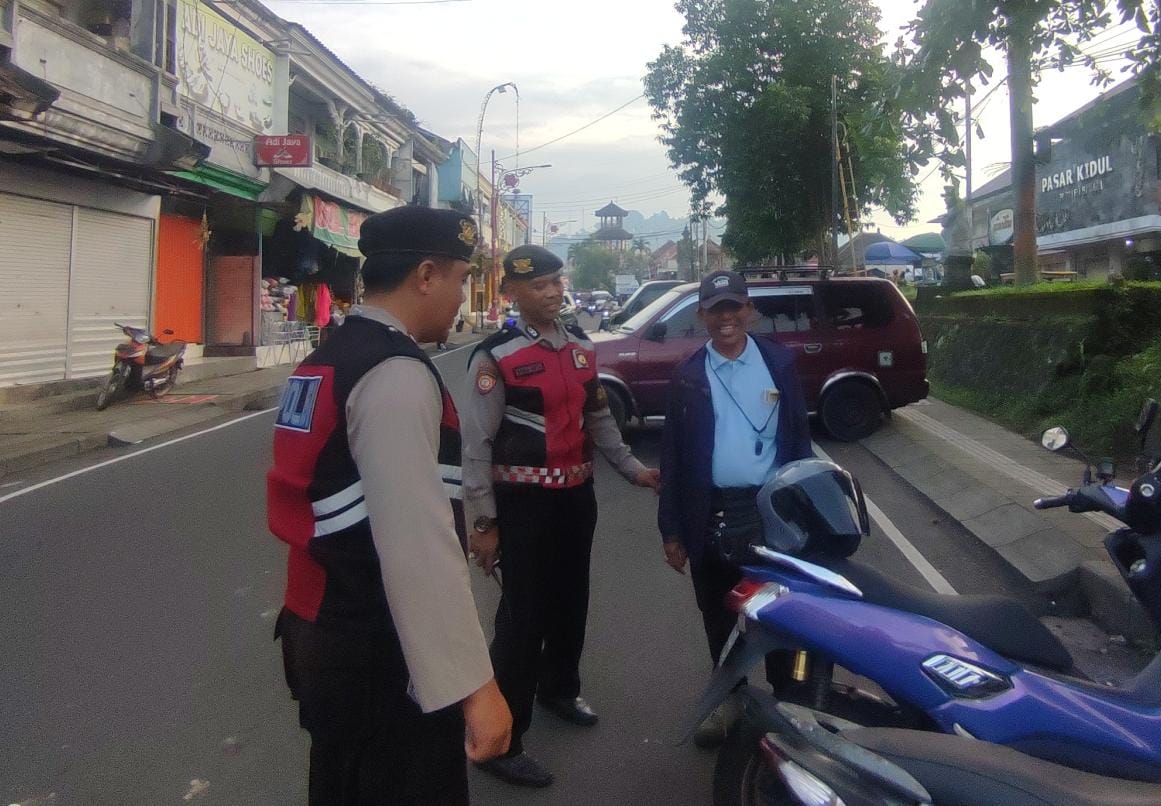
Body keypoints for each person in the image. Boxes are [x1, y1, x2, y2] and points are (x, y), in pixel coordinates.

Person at [267, 206, 511, 805]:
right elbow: (417, 547)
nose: (462, 297)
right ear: (425, 275)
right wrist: (475, 686)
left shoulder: (329, 357)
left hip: (321, 629)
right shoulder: (393, 372)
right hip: (377, 647)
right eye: (460, 279)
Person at [461, 244, 660, 788]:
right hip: (523, 505)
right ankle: (501, 740)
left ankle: (559, 688)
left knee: (572, 601)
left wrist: (633, 470)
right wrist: (483, 523)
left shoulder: (579, 348)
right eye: (538, 285)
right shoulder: (495, 357)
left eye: (556, 282)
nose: (552, 292)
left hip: (575, 498)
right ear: (511, 293)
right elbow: (476, 446)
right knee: (523, 618)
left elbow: (599, 420)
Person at [657, 269, 813, 748]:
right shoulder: (688, 376)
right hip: (713, 513)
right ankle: (731, 702)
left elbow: (799, 441)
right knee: (720, 616)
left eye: (733, 307)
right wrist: (672, 531)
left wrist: (809, 509)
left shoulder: (779, 363)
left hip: (774, 512)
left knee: (780, 611)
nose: (725, 318)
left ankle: (789, 705)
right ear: (702, 315)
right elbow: (673, 458)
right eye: (715, 310)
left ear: (749, 310)